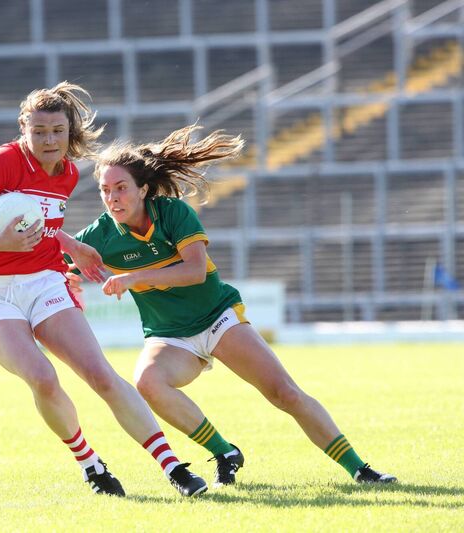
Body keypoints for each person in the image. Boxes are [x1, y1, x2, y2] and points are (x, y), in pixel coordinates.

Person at [68, 124, 397, 486]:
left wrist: (133, 278)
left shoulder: (173, 213)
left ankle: (359, 468)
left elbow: (194, 271)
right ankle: (225, 451)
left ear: (143, 189)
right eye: (105, 190)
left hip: (217, 319)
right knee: (148, 382)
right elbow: (57, 263)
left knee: (284, 393)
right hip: (169, 335)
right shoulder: (99, 235)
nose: (112, 197)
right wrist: (62, 271)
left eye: (121, 188)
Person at [0, 82, 208, 497]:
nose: (48, 140)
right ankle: (91, 464)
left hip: (44, 280)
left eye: (57, 131)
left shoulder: (65, 171)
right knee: (43, 378)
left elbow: (38, 222)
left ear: (69, 131)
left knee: (101, 375)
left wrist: (71, 244)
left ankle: (174, 469)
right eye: (39, 131)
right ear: (23, 128)